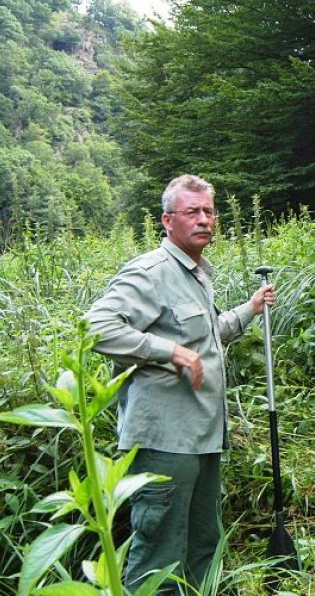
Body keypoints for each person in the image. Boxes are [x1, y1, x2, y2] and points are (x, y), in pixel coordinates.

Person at [84, 174, 275, 592]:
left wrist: (250, 308)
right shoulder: (151, 272)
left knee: (203, 546)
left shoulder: (197, 274)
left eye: (209, 211)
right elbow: (96, 328)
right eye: (192, 212)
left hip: (204, 437)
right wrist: (169, 352)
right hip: (164, 442)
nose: (204, 220)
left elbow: (204, 336)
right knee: (159, 555)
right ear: (167, 221)